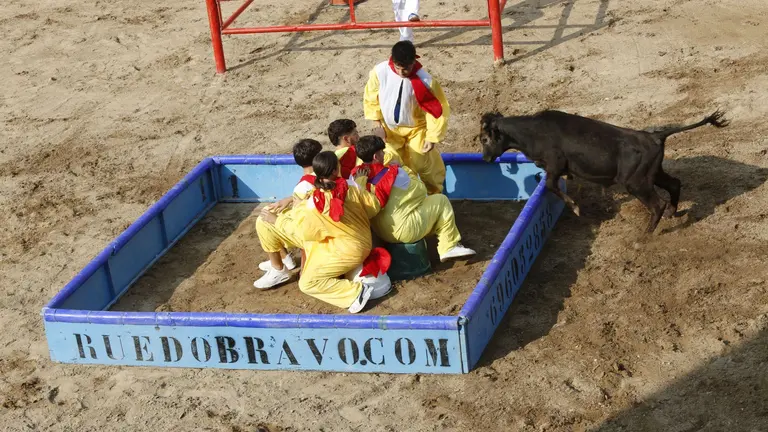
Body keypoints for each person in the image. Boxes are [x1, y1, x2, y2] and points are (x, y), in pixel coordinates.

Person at [353, 135, 476, 262]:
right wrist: (403, 168)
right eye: (382, 152)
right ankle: (449, 246)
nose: (384, 154)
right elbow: (421, 191)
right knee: (441, 201)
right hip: (405, 230)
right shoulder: (395, 174)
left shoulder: (356, 177)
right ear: (376, 157)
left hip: (380, 233)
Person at [296, 151, 386, 313]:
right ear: (335, 170)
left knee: (306, 283)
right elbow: (373, 207)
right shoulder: (352, 186)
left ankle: (355, 293)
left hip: (346, 251)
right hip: (365, 240)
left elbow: (309, 234)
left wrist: (297, 209)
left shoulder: (314, 203)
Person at [363, 40, 449, 195]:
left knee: (422, 162)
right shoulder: (380, 71)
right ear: (393, 61)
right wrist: (376, 121)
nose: (403, 72)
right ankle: (401, 196)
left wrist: (431, 136)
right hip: (389, 128)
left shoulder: (425, 80)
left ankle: (434, 194)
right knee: (391, 161)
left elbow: (436, 109)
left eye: (407, 68)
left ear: (414, 61)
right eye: (399, 68)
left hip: (416, 128)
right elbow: (371, 96)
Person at [252, 139, 322, 289]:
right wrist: (289, 200)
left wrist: (278, 219)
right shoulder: (326, 171)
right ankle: (284, 259)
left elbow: (299, 218)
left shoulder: (303, 186)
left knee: (264, 220)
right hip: (322, 224)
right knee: (272, 212)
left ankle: (278, 268)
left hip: (311, 232)